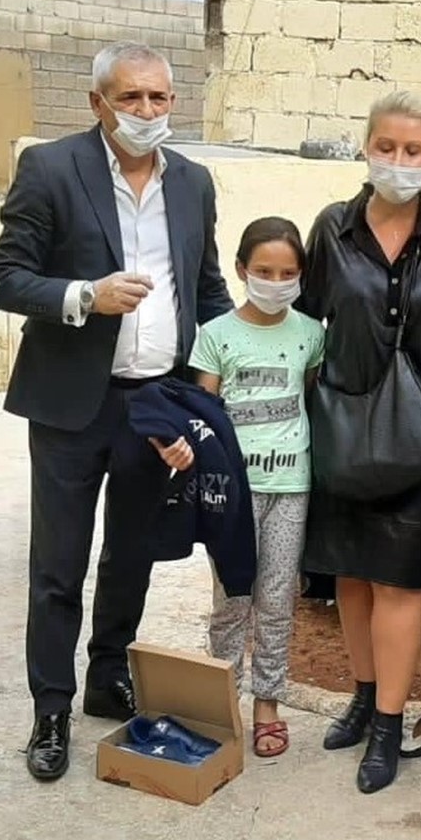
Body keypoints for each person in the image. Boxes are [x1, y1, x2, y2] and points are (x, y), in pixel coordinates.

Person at [0, 40, 233, 781]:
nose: (146, 111)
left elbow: (205, 287)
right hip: (71, 406)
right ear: (98, 103)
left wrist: (219, 376)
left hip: (154, 404)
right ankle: (51, 710)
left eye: (158, 97)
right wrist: (83, 297)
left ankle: (106, 676)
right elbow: (7, 278)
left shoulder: (192, 182)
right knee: (58, 567)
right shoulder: (51, 168)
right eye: (130, 97)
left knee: (131, 555)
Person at [297, 91, 421, 793]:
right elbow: (300, 320)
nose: (399, 160)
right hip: (342, 434)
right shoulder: (331, 228)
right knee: (350, 577)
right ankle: (361, 696)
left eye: (413, 149)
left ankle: (387, 726)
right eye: (386, 146)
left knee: (399, 583)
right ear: (366, 146)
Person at [155, 217, 324, 757]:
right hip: (233, 492)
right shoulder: (216, 335)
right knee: (231, 599)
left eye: (288, 273)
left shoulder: (311, 334)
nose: (276, 282)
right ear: (241, 270)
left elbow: (314, 398)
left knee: (276, 599)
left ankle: (268, 703)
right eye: (264, 271)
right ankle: (221, 701)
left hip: (291, 486)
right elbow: (203, 413)